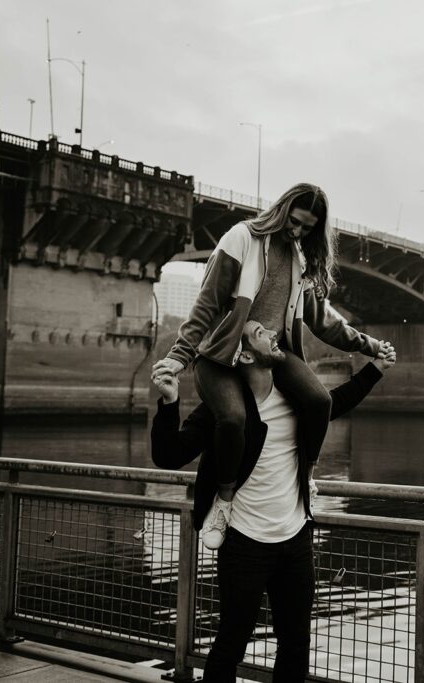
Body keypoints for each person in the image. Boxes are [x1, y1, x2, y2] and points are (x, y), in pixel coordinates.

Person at [151, 319, 395, 682]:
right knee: (231, 643)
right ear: (244, 355)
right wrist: (169, 403)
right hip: (244, 542)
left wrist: (374, 370)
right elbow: (168, 456)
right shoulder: (224, 412)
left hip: (295, 538)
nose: (273, 334)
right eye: (259, 333)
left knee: (295, 643)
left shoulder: (298, 398)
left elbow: (334, 402)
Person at [151, 183, 392, 549]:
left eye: (307, 228)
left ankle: (306, 476)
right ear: (281, 210)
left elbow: (325, 321)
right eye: (294, 222)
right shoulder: (240, 240)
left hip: (272, 353)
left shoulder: (300, 260)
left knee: (319, 403)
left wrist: (370, 345)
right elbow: (206, 306)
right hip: (221, 356)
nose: (297, 232)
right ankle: (225, 500)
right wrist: (179, 357)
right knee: (233, 419)